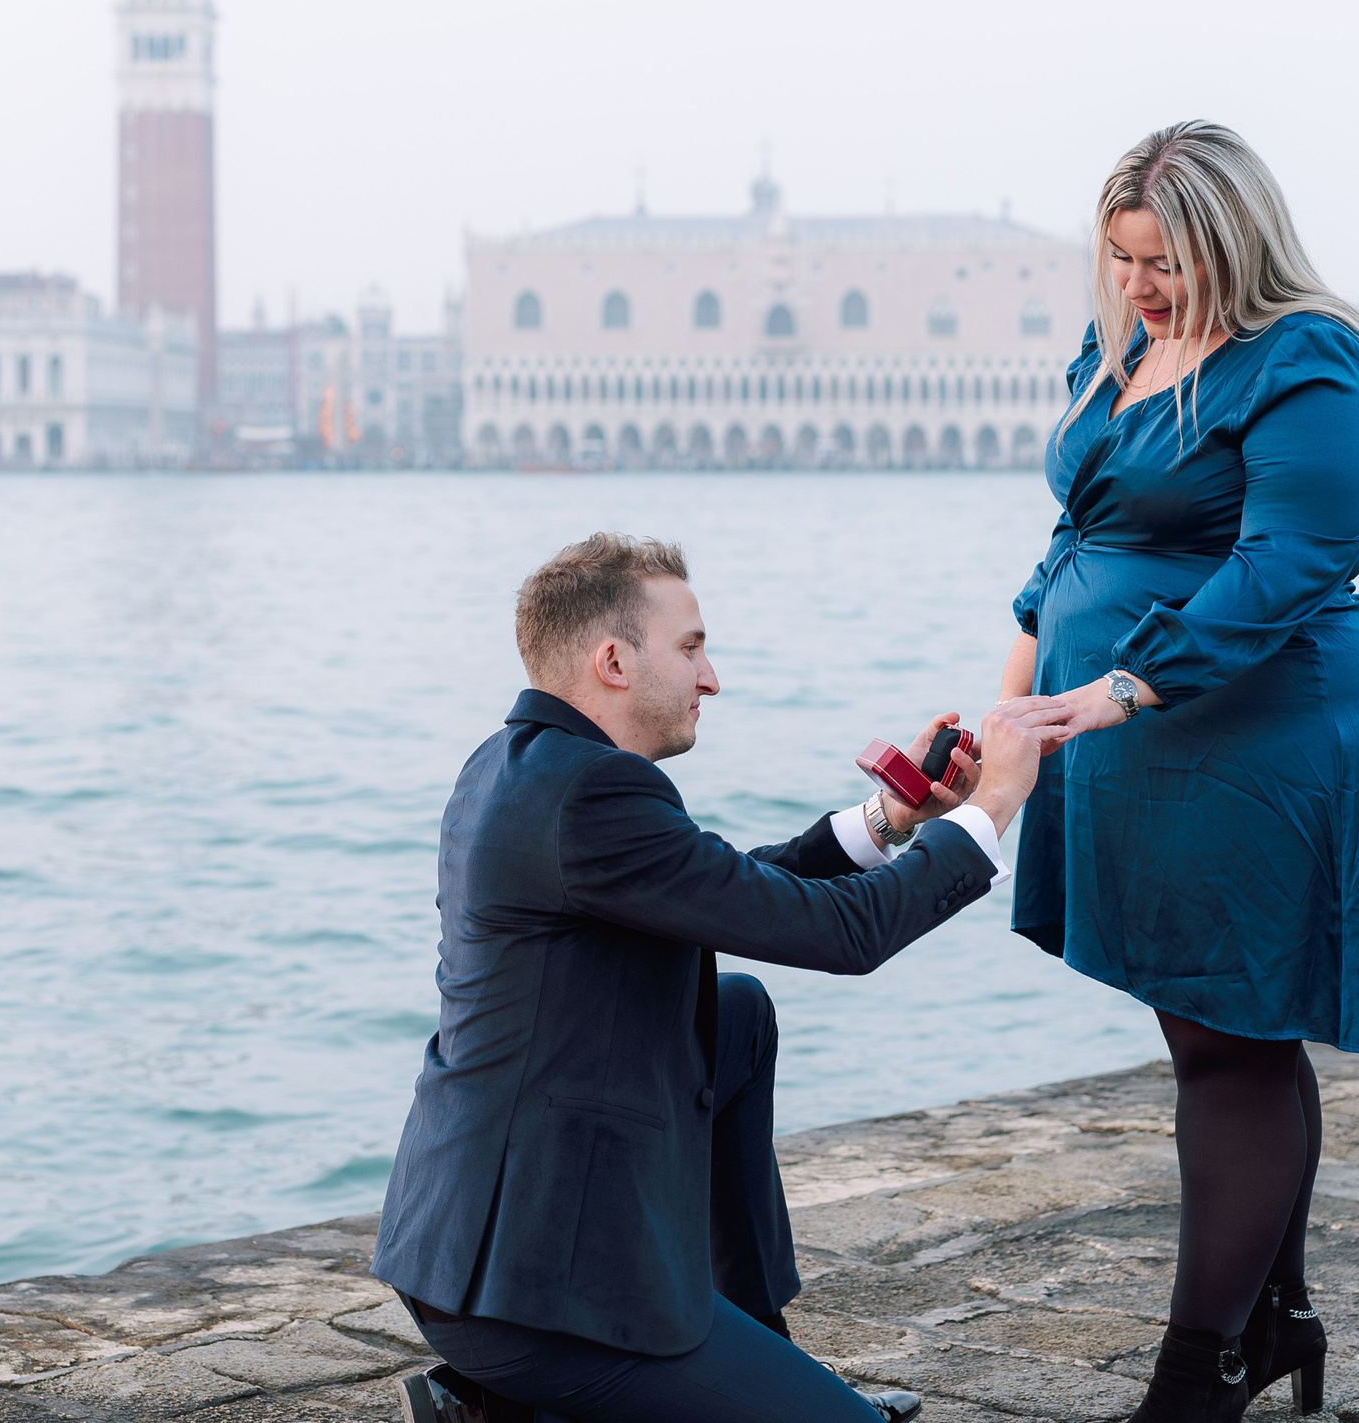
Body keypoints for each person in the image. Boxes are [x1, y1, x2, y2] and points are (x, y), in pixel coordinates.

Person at [375, 533, 1063, 1423]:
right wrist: (991, 806)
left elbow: (730, 887)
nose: (711, 677)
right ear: (614, 660)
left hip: (474, 1244)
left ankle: (748, 1345)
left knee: (733, 1015)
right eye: (692, 647)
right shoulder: (592, 794)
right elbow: (846, 935)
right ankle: (533, 1396)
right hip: (535, 1289)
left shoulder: (524, 765)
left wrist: (887, 820)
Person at [1008, 122, 1359, 1423]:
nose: (1139, 284)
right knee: (1206, 1022)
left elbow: (1293, 557)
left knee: (1231, 1039)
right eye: (1122, 257)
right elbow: (1073, 536)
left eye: (1166, 261)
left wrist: (1128, 683)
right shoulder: (1123, 348)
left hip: (1265, 728)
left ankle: (1199, 1379)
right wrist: (1011, 703)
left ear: (1235, 244)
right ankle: (1274, 1319)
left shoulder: (1312, 359)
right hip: (1132, 732)